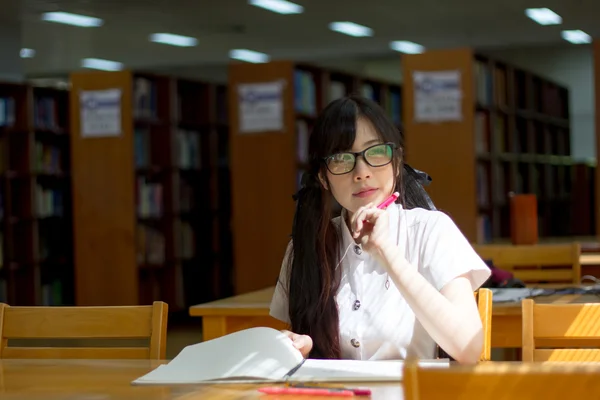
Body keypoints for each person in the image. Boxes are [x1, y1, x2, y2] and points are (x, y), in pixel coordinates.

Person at [269, 95, 491, 365]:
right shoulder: (305, 249)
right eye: (341, 158)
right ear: (322, 178)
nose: (361, 172)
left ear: (396, 162)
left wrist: (388, 253)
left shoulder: (432, 230)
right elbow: (302, 345)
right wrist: (300, 347)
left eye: (375, 152)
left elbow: (468, 348)